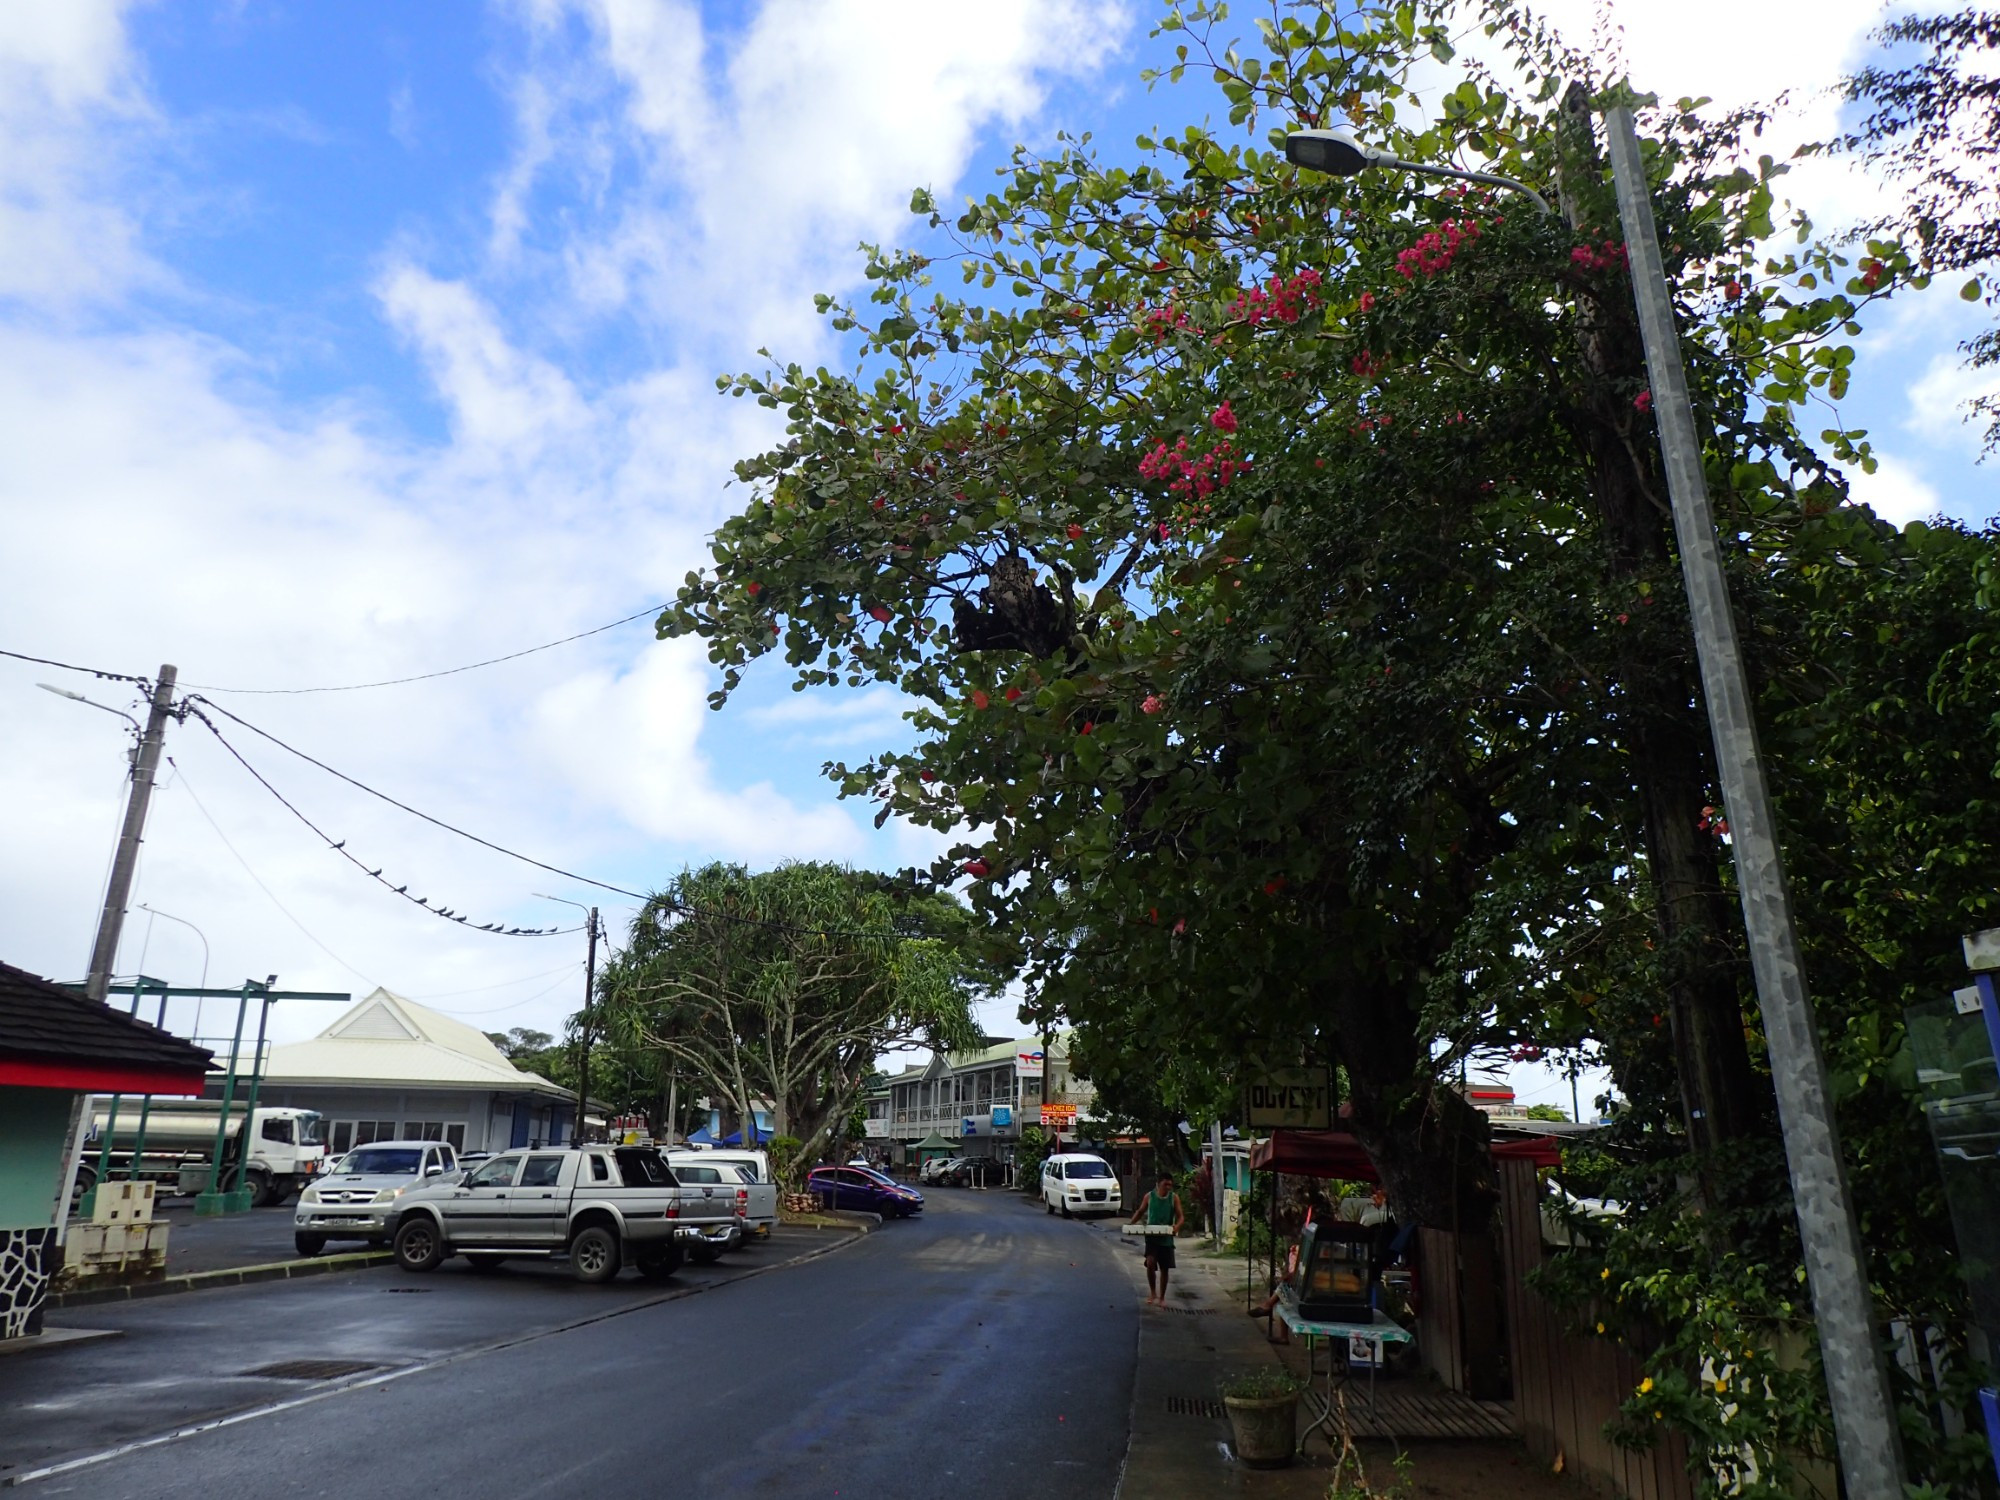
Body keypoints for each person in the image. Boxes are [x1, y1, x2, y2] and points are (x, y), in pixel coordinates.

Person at [1128, 1172, 1185, 1306]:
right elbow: (1141, 1211)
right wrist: (1131, 1224)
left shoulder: (1174, 1198)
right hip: (1152, 1238)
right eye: (1166, 1184)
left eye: (1170, 1185)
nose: (1168, 1187)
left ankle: (1162, 1297)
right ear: (1159, 1183)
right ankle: (1153, 1292)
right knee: (1150, 1263)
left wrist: (1176, 1227)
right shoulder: (1149, 1196)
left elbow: (1181, 1217)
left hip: (1166, 1238)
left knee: (1165, 1268)